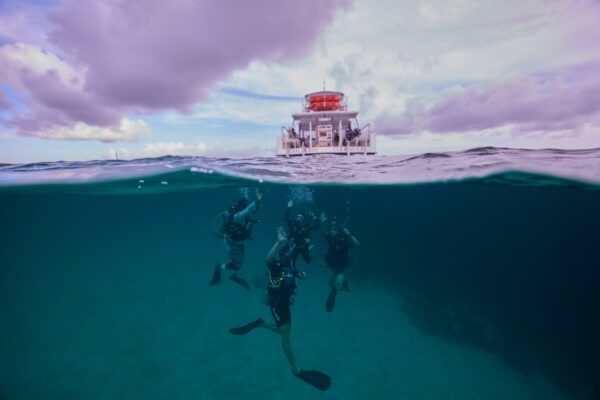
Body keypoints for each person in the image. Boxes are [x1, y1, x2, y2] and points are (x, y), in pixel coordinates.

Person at [228, 229, 331, 390]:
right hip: (276, 304)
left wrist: (301, 273)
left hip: (285, 303)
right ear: (282, 254)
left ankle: (260, 324)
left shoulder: (290, 265)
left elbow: (295, 272)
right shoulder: (276, 265)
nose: (288, 255)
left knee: (286, 330)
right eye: (285, 253)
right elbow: (268, 258)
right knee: (285, 333)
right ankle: (296, 369)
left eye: (289, 253)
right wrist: (278, 242)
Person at [210, 189, 262, 290]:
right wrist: (256, 202)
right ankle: (220, 267)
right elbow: (247, 210)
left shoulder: (244, 217)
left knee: (240, 263)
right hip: (230, 243)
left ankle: (234, 275)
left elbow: (251, 212)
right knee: (238, 263)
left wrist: (257, 205)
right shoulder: (237, 216)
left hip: (236, 243)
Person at [321, 213, 359, 312]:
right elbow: (325, 231)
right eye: (334, 235)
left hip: (342, 267)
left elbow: (357, 244)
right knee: (332, 285)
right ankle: (339, 289)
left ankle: (339, 289)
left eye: (337, 235)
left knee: (336, 286)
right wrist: (323, 222)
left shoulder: (345, 243)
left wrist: (349, 234)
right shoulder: (331, 241)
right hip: (332, 266)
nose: (336, 237)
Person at [284, 200, 319, 265]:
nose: (298, 218)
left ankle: (308, 249)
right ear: (295, 217)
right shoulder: (292, 225)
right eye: (297, 217)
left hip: (303, 246)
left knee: (308, 261)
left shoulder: (305, 227)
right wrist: (289, 208)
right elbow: (286, 218)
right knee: (290, 263)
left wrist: (315, 217)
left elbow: (317, 226)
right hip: (293, 247)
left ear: (303, 219)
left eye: (301, 217)